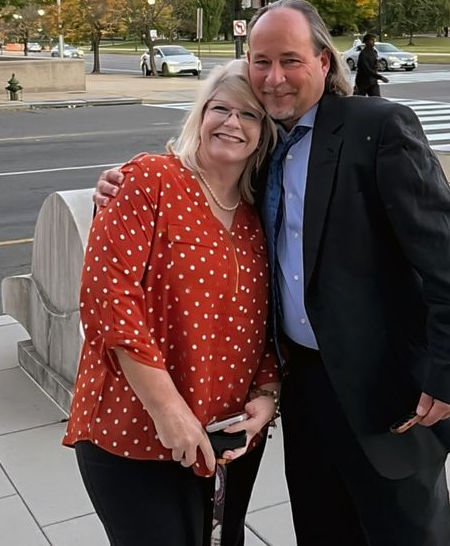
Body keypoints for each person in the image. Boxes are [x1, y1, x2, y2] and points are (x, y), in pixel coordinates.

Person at [97, 0, 450, 545]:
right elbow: (205, 187)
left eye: (290, 60)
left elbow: (448, 256)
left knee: (405, 532)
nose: (273, 78)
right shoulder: (265, 142)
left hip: (387, 391)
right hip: (306, 389)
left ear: (324, 63)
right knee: (323, 527)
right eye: (261, 62)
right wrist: (117, 186)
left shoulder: (376, 127)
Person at [65, 60, 281, 546]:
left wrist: (267, 398)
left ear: (265, 133)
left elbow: (267, 322)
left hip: (228, 437)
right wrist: (169, 412)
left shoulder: (256, 217)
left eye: (248, 115)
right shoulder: (150, 181)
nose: (230, 122)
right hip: (137, 430)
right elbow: (108, 298)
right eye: (219, 108)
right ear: (199, 116)